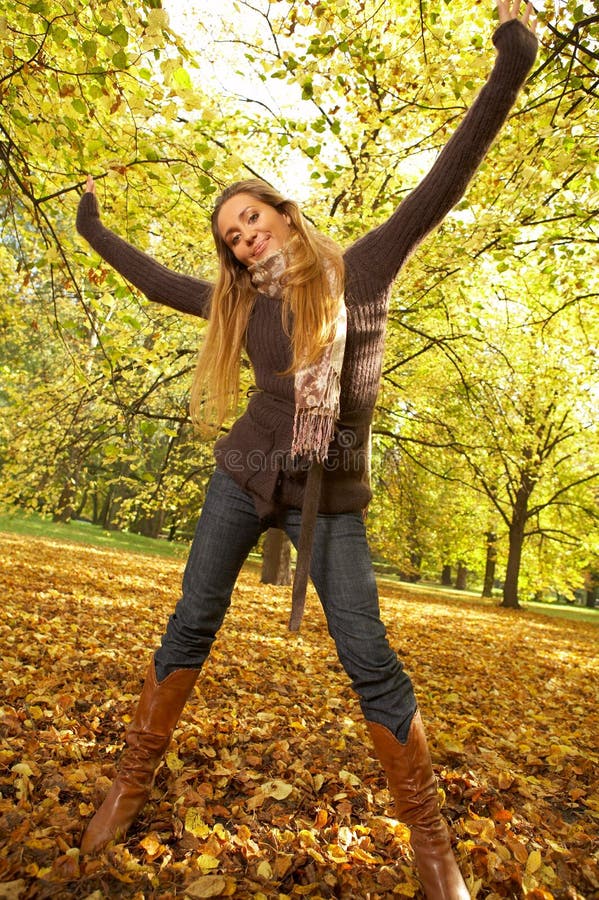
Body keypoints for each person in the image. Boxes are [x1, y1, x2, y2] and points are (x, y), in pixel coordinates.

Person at [75, 3, 537, 896]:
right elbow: (156, 280)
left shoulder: (365, 268)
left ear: (283, 215)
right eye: (229, 236)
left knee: (367, 651)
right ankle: (130, 783)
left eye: (250, 220)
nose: (241, 237)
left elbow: (449, 175)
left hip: (332, 499)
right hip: (244, 481)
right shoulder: (240, 305)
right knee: (190, 623)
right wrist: (95, 227)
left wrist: (511, 61)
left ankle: (430, 837)